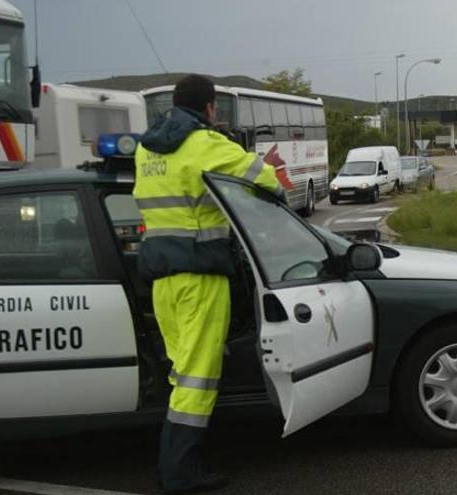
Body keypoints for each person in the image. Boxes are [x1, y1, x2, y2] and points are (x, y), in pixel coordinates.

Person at [133, 75, 283, 495]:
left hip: (161, 279)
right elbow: (268, 181)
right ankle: (180, 470)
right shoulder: (207, 144)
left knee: (182, 375)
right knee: (199, 378)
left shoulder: (146, 148)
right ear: (211, 107)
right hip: (200, 279)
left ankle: (174, 463)